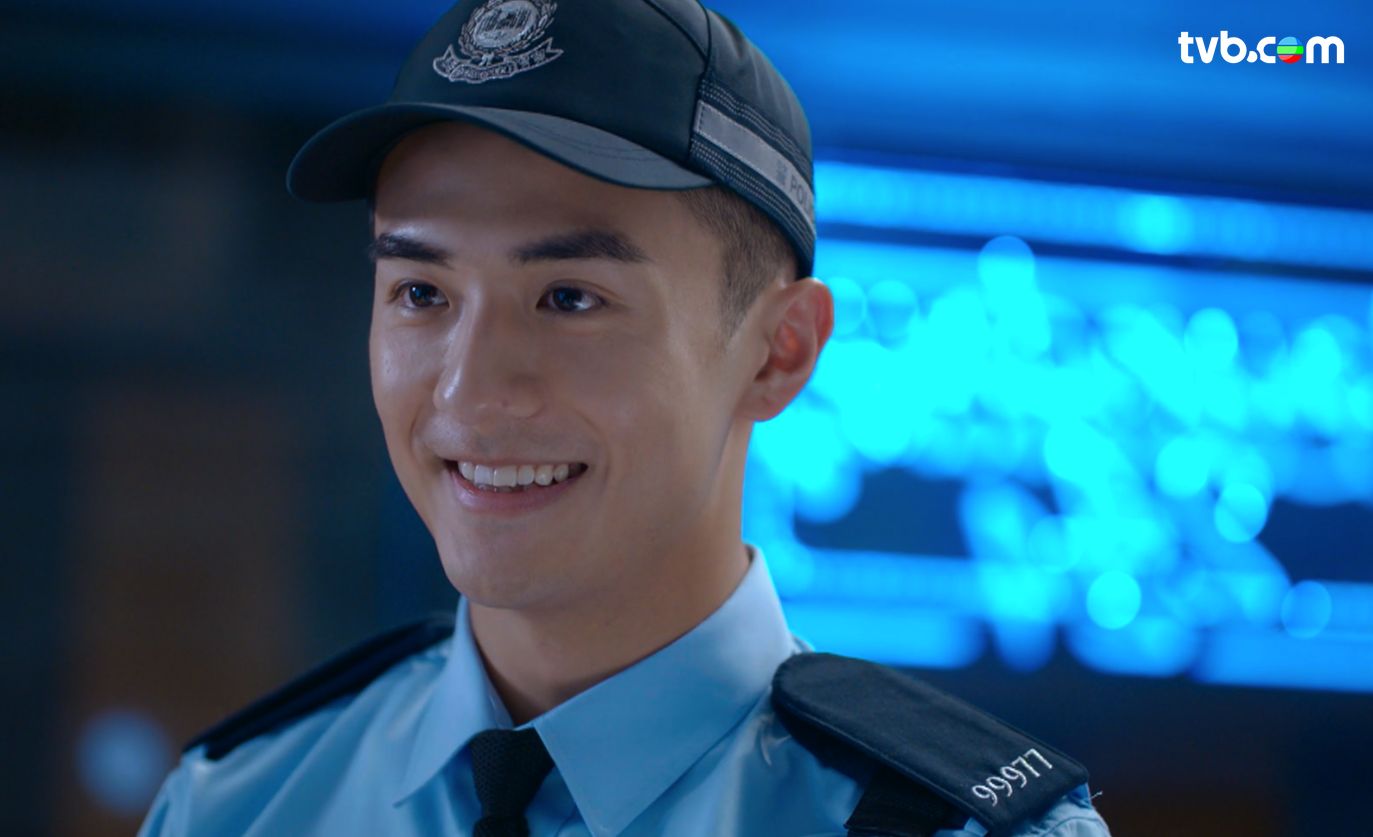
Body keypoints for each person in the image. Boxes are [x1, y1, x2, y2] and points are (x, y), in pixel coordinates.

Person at [139, 0, 1112, 834]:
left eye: (569, 297)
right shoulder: (236, 804)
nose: (468, 393)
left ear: (778, 352)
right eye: (421, 293)